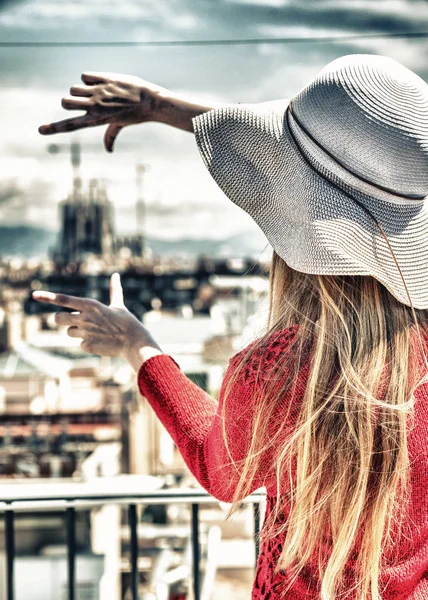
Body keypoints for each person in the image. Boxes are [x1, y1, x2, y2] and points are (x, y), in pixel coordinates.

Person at [33, 54, 428, 599]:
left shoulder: (278, 371)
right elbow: (354, 170)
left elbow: (222, 471)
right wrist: (166, 108)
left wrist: (138, 346)